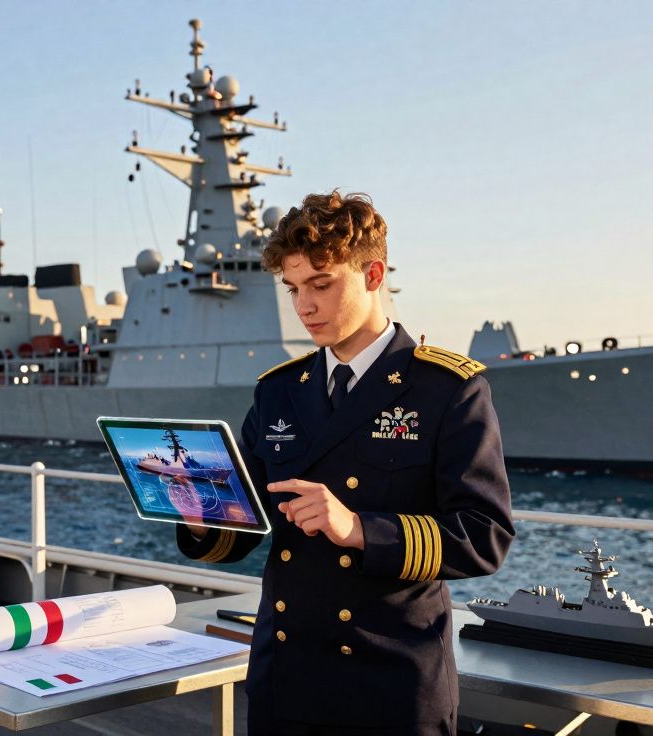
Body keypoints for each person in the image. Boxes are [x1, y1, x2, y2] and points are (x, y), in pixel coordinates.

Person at [177, 190, 515, 735]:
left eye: (321, 283)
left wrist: (360, 530)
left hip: (388, 684)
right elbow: (247, 520)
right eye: (293, 289)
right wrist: (199, 511)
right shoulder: (279, 393)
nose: (304, 305)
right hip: (284, 678)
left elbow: (484, 535)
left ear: (374, 274)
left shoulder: (447, 390)